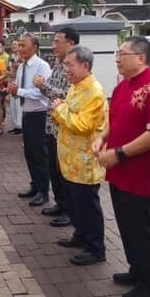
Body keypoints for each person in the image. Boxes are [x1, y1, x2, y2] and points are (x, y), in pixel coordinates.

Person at [94, 36, 150, 297]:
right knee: (125, 224)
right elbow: (114, 120)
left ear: (141, 58)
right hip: (120, 170)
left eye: (122, 54)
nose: (117, 58)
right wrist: (103, 137)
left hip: (140, 171)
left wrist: (118, 153)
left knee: (142, 227)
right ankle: (136, 269)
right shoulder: (122, 87)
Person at [50, 46, 107, 266]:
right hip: (70, 160)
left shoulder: (94, 91)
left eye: (69, 65)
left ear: (85, 65)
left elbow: (82, 124)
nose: (66, 69)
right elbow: (70, 113)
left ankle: (95, 248)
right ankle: (81, 236)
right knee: (76, 205)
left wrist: (58, 109)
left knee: (88, 207)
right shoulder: (76, 86)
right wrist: (63, 109)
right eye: (65, 65)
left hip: (85, 162)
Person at [34, 26, 78, 228]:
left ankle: (70, 209)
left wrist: (44, 85)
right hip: (52, 125)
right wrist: (44, 87)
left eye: (57, 42)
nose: (53, 46)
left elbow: (66, 95)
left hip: (64, 128)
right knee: (54, 168)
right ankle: (60, 204)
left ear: (70, 44)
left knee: (64, 171)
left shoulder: (74, 67)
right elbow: (49, 93)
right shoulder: (57, 65)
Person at [7, 34, 52, 206]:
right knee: (30, 153)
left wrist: (18, 91)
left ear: (34, 47)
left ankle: (43, 191)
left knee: (40, 154)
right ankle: (35, 185)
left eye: (23, 45)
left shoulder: (42, 66)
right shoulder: (21, 67)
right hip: (27, 113)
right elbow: (20, 89)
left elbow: (41, 93)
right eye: (19, 44)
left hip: (39, 114)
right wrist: (13, 90)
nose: (20, 48)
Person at [6, 39, 23, 134]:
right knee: (12, 106)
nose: (14, 46)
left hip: (19, 83)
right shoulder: (11, 57)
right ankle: (15, 125)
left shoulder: (22, 57)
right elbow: (8, 69)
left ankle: (20, 126)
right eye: (12, 44)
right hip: (11, 81)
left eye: (16, 44)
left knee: (18, 105)